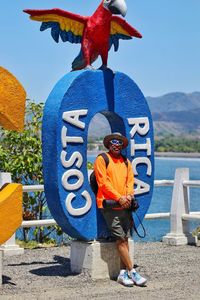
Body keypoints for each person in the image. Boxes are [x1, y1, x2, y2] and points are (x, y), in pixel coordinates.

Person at [94, 132, 147, 287]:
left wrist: (129, 196)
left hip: (125, 206)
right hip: (109, 206)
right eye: (113, 142)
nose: (116, 145)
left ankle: (122, 274)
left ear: (122, 145)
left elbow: (130, 181)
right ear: (109, 144)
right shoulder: (102, 159)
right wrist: (119, 197)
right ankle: (133, 272)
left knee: (125, 238)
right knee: (120, 239)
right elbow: (103, 183)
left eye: (119, 142)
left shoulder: (125, 161)